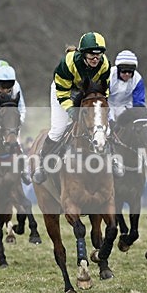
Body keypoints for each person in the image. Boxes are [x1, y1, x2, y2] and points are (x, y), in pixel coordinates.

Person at [32, 32, 113, 184]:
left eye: (99, 54)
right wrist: (71, 110)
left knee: (105, 129)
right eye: (91, 55)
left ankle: (113, 160)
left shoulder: (105, 64)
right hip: (64, 91)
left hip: (88, 94)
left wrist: (100, 111)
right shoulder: (68, 63)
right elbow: (62, 93)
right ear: (82, 54)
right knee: (58, 130)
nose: (96, 59)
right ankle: (42, 165)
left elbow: (104, 91)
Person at [108, 49, 146, 122]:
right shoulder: (109, 75)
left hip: (126, 106)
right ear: (118, 69)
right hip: (108, 104)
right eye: (124, 71)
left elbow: (139, 102)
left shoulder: (137, 79)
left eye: (130, 71)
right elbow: (102, 97)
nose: (127, 74)